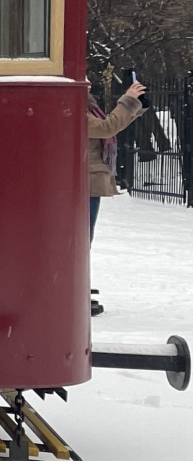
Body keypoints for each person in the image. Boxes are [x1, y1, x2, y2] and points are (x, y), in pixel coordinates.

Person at [87, 76, 147, 315]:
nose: (89, 82)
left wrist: (136, 106)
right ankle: (75, 285)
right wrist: (128, 102)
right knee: (82, 237)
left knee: (84, 237)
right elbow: (106, 128)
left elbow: (111, 124)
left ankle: (79, 284)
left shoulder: (88, 106)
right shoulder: (71, 108)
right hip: (86, 180)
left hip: (91, 179)